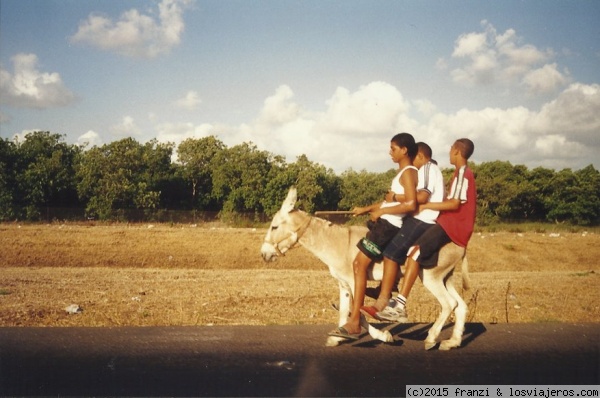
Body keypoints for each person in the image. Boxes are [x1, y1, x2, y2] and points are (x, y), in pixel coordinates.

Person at [328, 132, 418, 340]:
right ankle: (355, 318)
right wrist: (367, 209)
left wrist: (383, 213)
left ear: (404, 150)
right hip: (385, 223)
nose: (390, 152)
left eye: (393, 148)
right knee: (359, 265)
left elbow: (411, 204)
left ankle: (354, 322)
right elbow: (391, 202)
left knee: (359, 265)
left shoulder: (408, 173)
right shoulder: (403, 172)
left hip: (388, 226)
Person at [376, 138, 476, 322]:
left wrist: (425, 206)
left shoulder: (462, 173)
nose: (449, 152)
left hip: (452, 225)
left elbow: (454, 203)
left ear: (457, 152)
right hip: (446, 221)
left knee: (414, 251)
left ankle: (400, 305)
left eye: (451, 148)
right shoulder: (457, 173)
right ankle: (387, 292)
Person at [360, 142, 445, 320]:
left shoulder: (428, 168)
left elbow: (421, 197)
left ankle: (383, 301)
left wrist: (395, 197)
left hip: (423, 219)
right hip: (418, 217)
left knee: (391, 253)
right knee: (391, 248)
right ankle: (386, 290)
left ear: (421, 156)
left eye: (413, 158)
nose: (411, 163)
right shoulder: (422, 170)